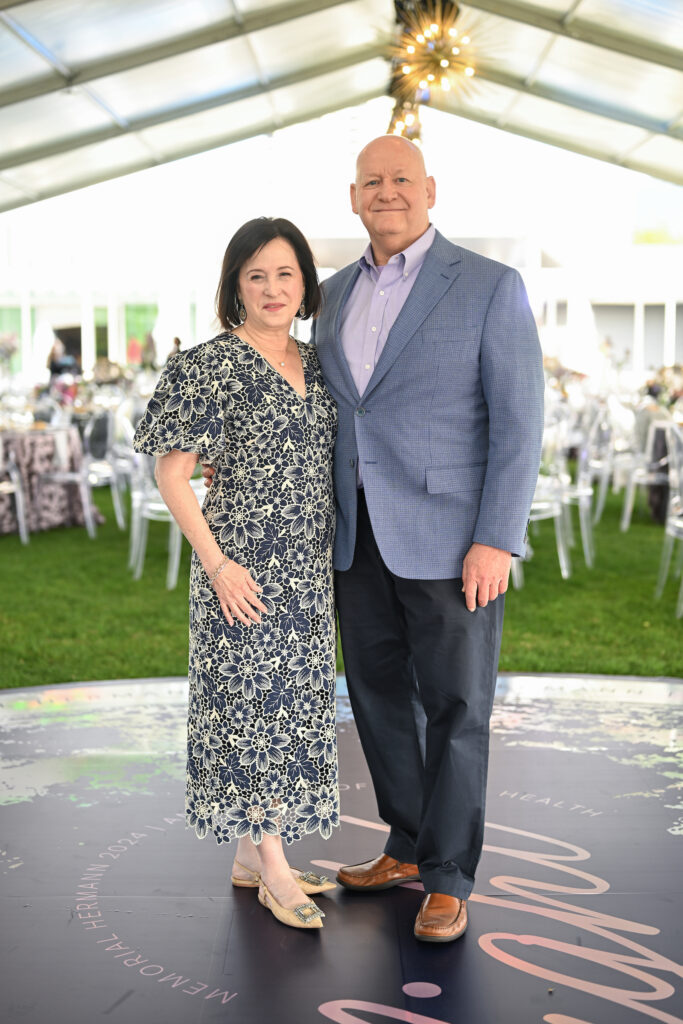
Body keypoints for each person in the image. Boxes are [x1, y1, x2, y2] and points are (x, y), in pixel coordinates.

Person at [312, 134, 544, 942]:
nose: (386, 192)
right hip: (358, 539)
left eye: (400, 179)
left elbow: (519, 425)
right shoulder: (331, 294)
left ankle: (448, 875)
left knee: (455, 706)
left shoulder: (488, 286)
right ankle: (407, 846)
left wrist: (496, 539)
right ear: (352, 198)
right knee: (377, 702)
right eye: (370, 181)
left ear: (430, 189)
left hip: (453, 543)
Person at [133, 217, 339, 931]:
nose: (273, 289)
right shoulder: (207, 364)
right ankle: (275, 868)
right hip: (241, 570)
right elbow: (172, 473)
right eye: (256, 275)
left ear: (304, 283)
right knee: (251, 712)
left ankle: (252, 857)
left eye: (285, 274)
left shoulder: (318, 364)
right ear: (235, 287)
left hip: (308, 573)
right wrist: (216, 564)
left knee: (293, 709)